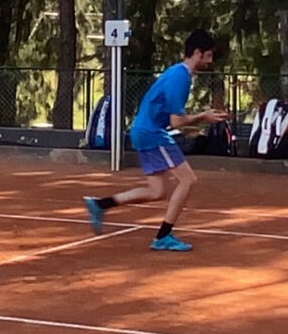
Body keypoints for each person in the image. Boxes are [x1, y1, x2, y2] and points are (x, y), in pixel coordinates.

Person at [82, 30, 225, 252]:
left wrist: (195, 124)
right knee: (188, 180)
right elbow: (176, 121)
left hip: (144, 131)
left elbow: (171, 119)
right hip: (151, 133)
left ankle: (101, 204)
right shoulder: (181, 77)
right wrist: (202, 116)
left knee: (157, 191)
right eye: (208, 55)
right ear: (197, 53)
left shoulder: (176, 73)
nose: (210, 61)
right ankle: (163, 236)